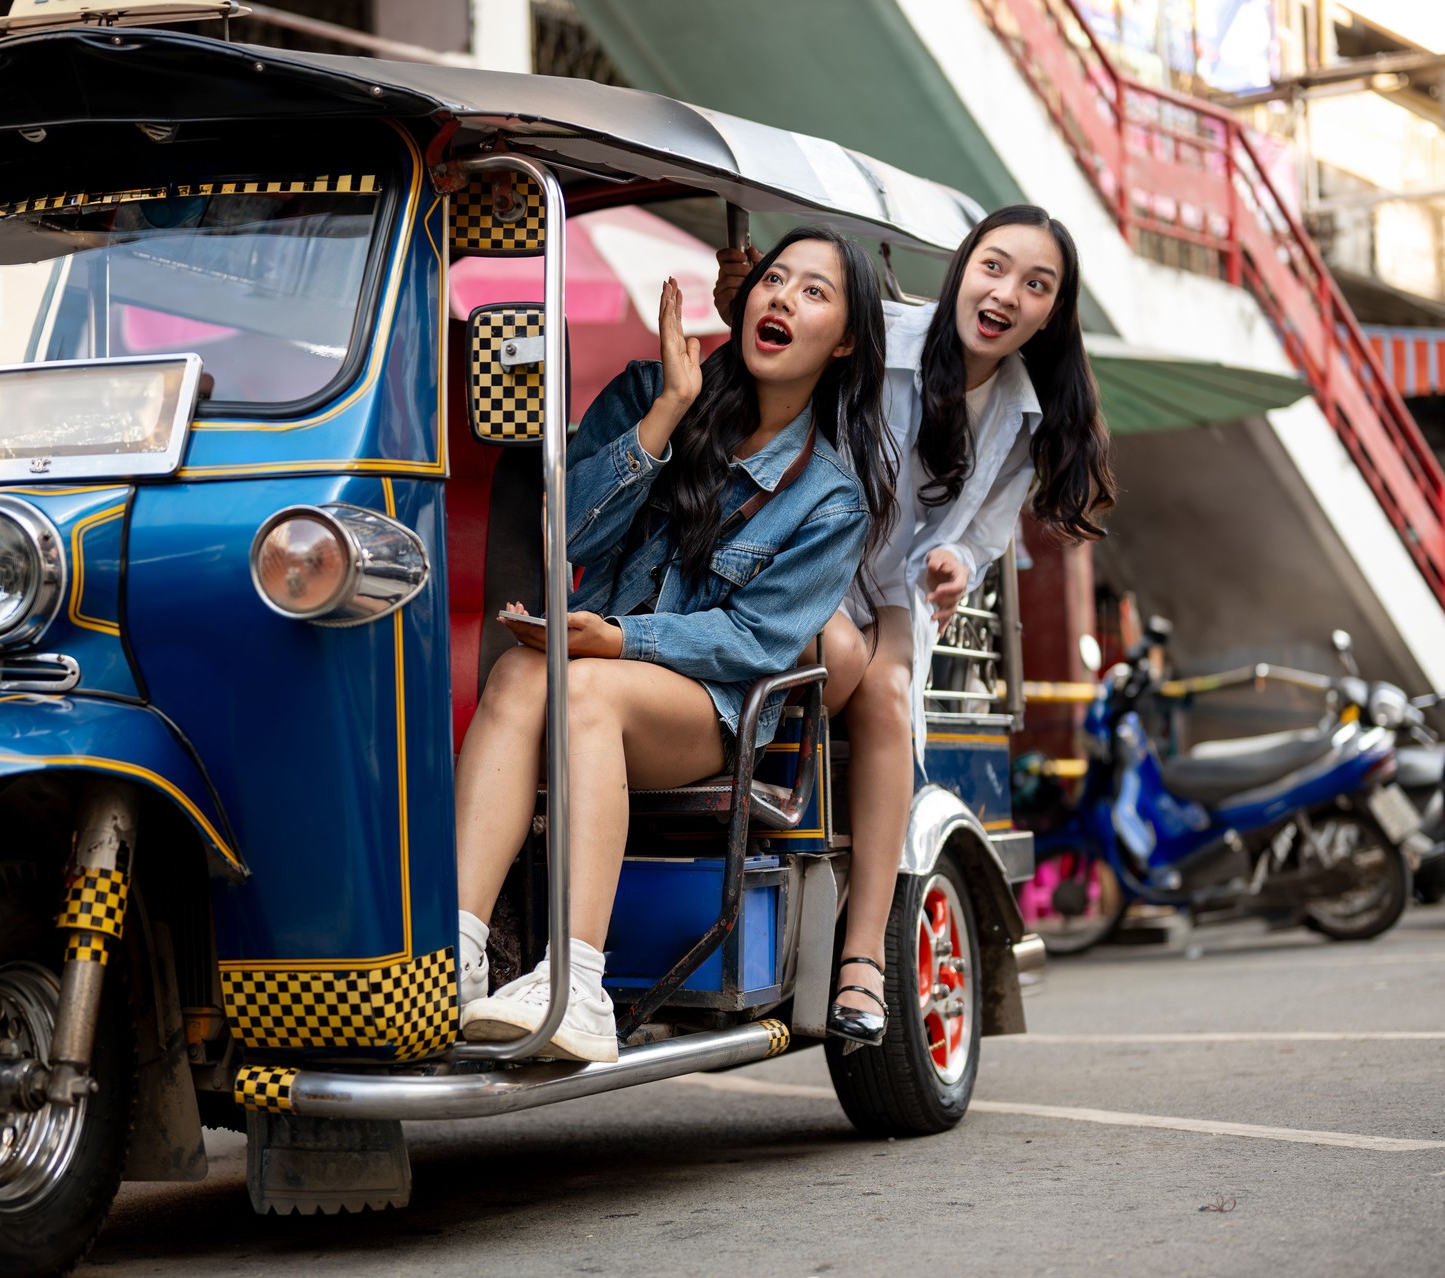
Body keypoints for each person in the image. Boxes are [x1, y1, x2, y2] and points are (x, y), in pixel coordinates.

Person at [454, 226, 898, 1062]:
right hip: (604, 669)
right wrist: (666, 414)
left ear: (842, 341)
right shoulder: (646, 391)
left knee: (582, 687)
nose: (781, 297)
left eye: (813, 292)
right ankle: (458, 956)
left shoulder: (833, 500)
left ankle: (575, 984)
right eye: (775, 279)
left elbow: (754, 639)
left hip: (714, 709)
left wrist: (621, 640)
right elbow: (566, 537)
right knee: (521, 670)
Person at [715, 204, 1116, 1045]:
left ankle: (863, 960)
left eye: (1035, 285)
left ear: (1051, 312)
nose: (1007, 292)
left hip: (895, 585)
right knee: (840, 661)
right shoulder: (882, 333)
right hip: (806, 550)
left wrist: (958, 566)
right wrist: (743, 301)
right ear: (964, 265)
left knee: (888, 693)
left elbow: (981, 531)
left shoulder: (1025, 410)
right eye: (995, 266)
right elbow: (781, 361)